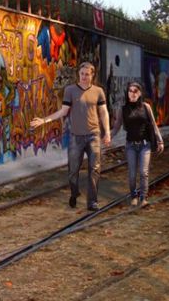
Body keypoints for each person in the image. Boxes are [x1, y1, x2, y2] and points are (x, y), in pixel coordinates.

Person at [30, 62, 111, 211]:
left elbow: (103, 112)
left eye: (87, 74)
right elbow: (63, 111)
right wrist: (44, 120)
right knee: (73, 171)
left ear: (92, 75)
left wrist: (107, 132)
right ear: (78, 74)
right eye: (82, 74)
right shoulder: (70, 90)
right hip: (76, 137)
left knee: (95, 169)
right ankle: (74, 192)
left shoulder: (98, 91)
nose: (84, 77)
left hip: (93, 135)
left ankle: (92, 202)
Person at [111, 81, 164, 207]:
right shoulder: (123, 109)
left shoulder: (146, 107)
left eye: (135, 91)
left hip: (145, 145)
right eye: (130, 91)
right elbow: (116, 127)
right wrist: (108, 136)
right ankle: (133, 196)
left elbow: (153, 124)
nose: (133, 93)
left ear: (140, 93)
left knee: (144, 172)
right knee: (132, 174)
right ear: (127, 93)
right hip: (130, 146)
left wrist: (160, 140)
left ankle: (143, 197)